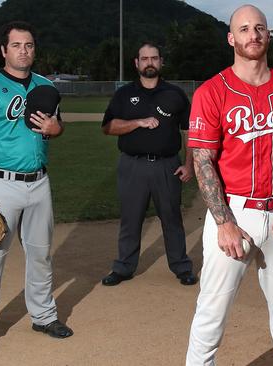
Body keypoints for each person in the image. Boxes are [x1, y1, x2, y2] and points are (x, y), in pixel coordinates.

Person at [185, 5, 273, 365]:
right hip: (234, 213)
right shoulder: (213, 91)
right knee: (212, 314)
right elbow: (202, 161)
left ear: (268, 35)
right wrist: (224, 222)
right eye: (243, 29)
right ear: (231, 38)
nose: (253, 35)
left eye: (259, 28)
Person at [0, 21, 73, 357]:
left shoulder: (46, 86)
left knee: (40, 254)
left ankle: (43, 316)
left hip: (39, 182)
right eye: (17, 45)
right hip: (0, 185)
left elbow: (54, 127)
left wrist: (56, 128)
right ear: (4, 50)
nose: (24, 51)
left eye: (30, 45)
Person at [101, 42, 197, 286]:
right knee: (130, 219)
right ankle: (123, 267)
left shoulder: (174, 94)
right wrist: (138, 122)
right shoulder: (124, 94)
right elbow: (108, 127)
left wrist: (189, 164)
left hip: (168, 165)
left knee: (172, 217)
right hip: (132, 165)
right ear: (137, 63)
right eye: (144, 59)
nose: (149, 62)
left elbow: (188, 131)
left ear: (161, 62)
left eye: (154, 58)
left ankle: (181, 266)